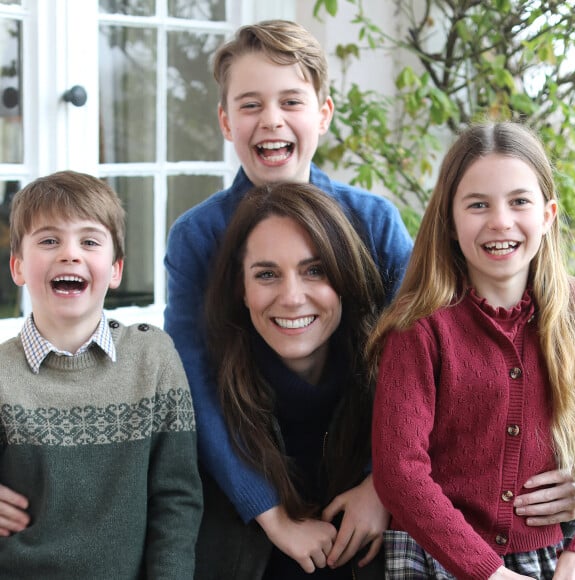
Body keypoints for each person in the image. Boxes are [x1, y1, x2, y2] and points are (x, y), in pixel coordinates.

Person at [163, 19, 413, 576]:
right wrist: (271, 516)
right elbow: (194, 386)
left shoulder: (375, 223)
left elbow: (416, 367)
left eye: (290, 101)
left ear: (322, 113)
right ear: (226, 121)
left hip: (365, 478)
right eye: (250, 104)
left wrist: (382, 484)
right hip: (246, 485)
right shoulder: (197, 238)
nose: (271, 120)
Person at [369, 122, 575, 579]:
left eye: (519, 201)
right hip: (435, 556)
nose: (500, 221)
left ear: (547, 215)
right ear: (449, 220)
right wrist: (491, 574)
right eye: (478, 204)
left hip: (552, 558)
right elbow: (398, 471)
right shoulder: (419, 328)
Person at [0, 170, 203, 579]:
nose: (70, 254)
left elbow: (176, 499)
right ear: (18, 267)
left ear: (115, 270)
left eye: (89, 241)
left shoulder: (153, 357)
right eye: (49, 240)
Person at [198, 181, 387, 578]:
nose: (292, 297)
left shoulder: (393, 393)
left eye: (314, 270)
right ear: (242, 290)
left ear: (345, 278)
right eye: (267, 274)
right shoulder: (205, 411)